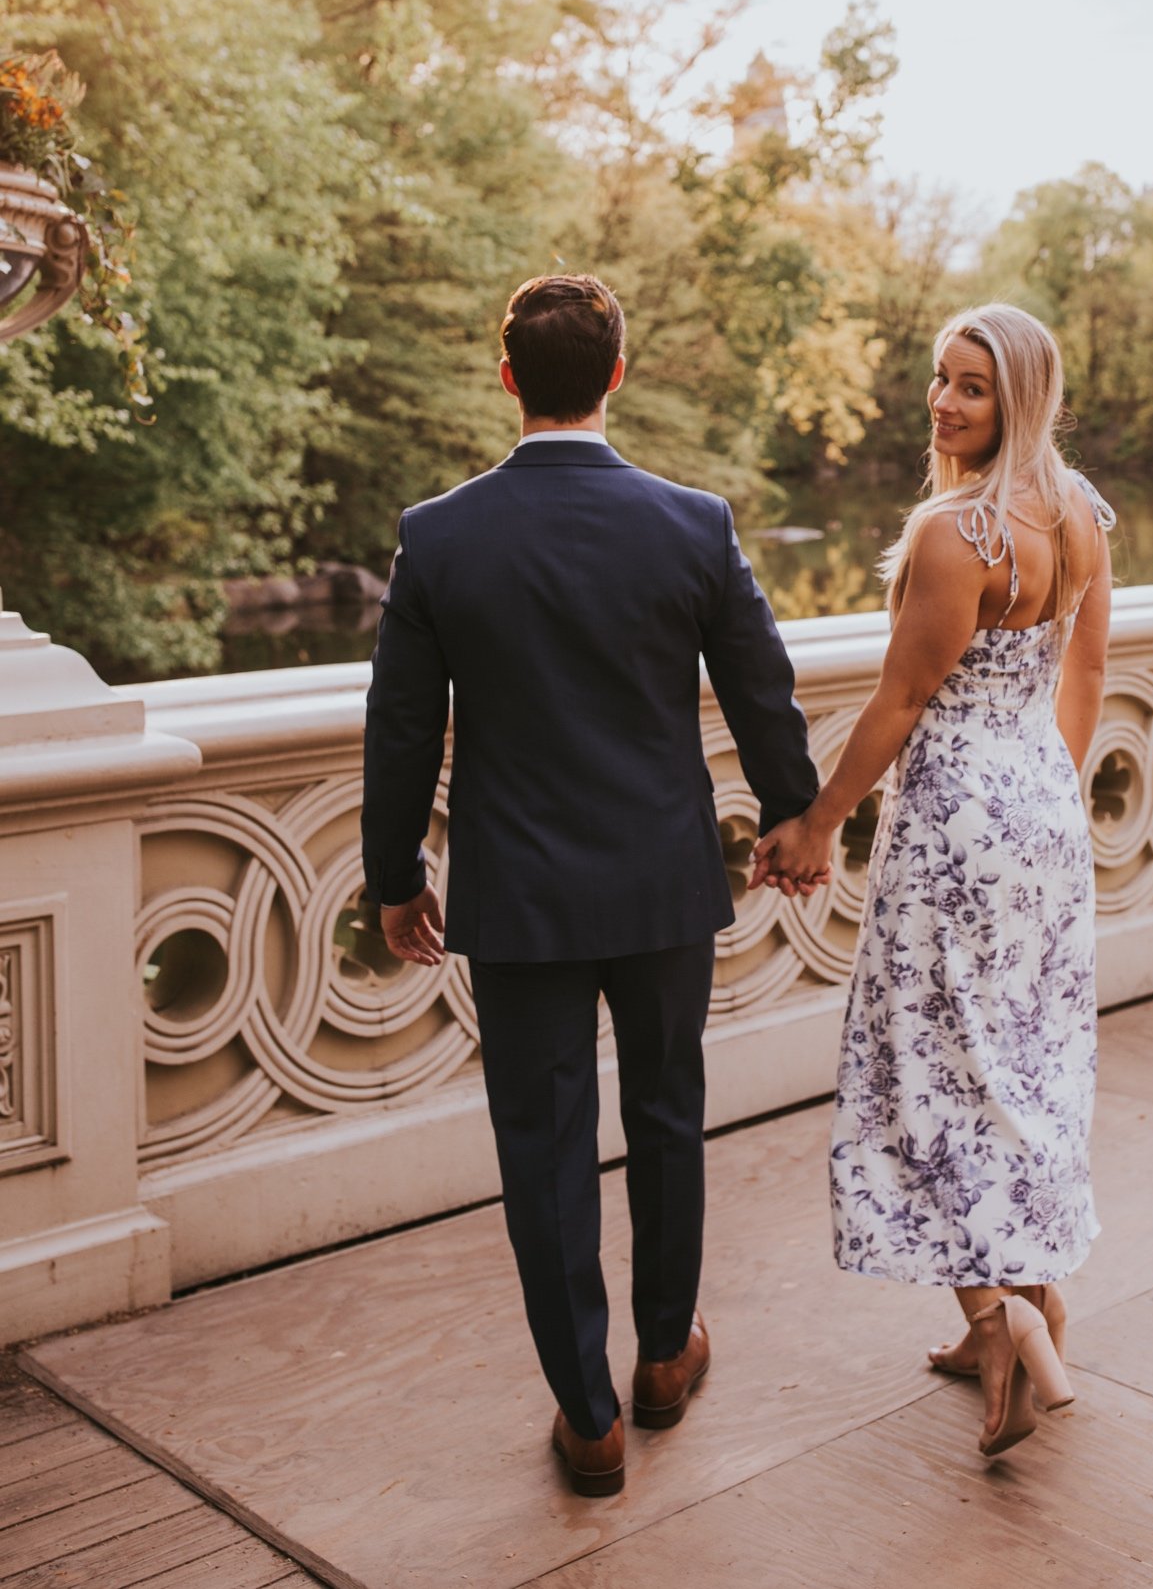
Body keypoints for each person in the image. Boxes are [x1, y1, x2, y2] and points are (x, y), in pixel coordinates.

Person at [360, 273, 819, 1499]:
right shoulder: (694, 522)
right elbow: (762, 692)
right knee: (668, 1115)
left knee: (545, 1147)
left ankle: (590, 1414)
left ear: (506, 376)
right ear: (619, 372)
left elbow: (399, 730)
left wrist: (396, 875)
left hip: (519, 900)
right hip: (664, 881)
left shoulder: (438, 535)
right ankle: (666, 1355)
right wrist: (794, 815)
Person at [753, 302, 1113, 1459]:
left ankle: (1000, 1315)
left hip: (957, 816)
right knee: (1023, 1061)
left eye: (970, 387)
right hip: (1043, 813)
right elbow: (1087, 672)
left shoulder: (960, 533)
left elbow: (901, 705)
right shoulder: (1082, 515)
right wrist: (1045, 789)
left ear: (1019, 400)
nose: (943, 402)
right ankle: (1032, 1303)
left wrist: (816, 823)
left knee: (923, 1065)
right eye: (940, 380)